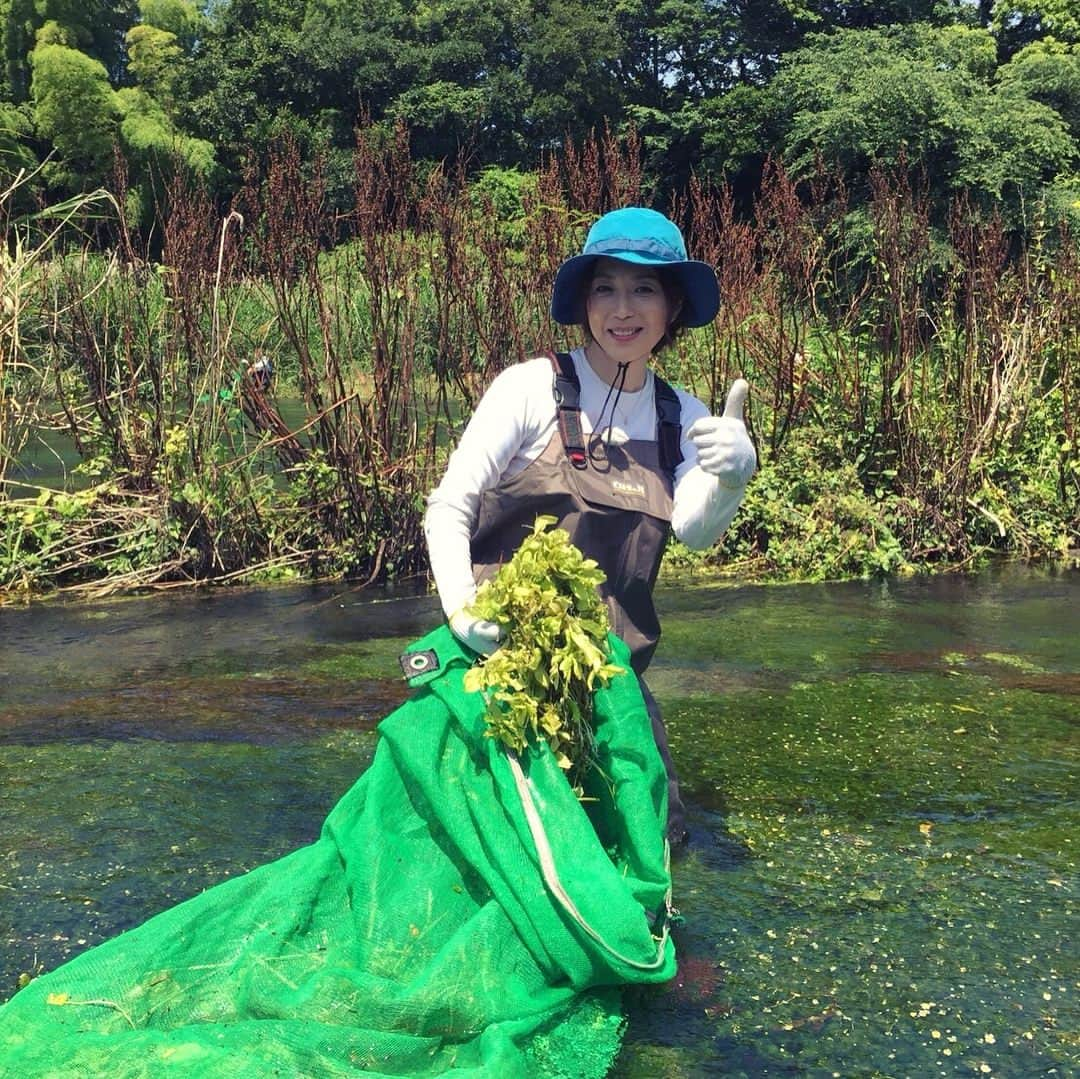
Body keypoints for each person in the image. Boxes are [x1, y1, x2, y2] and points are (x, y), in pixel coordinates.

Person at [423, 206, 756, 842]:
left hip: (611, 684)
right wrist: (463, 614)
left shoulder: (682, 416)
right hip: (499, 666)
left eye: (644, 289)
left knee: (654, 838)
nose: (622, 309)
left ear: (673, 308)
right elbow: (450, 506)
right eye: (605, 287)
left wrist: (732, 480)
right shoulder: (528, 389)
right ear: (584, 301)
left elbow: (694, 530)